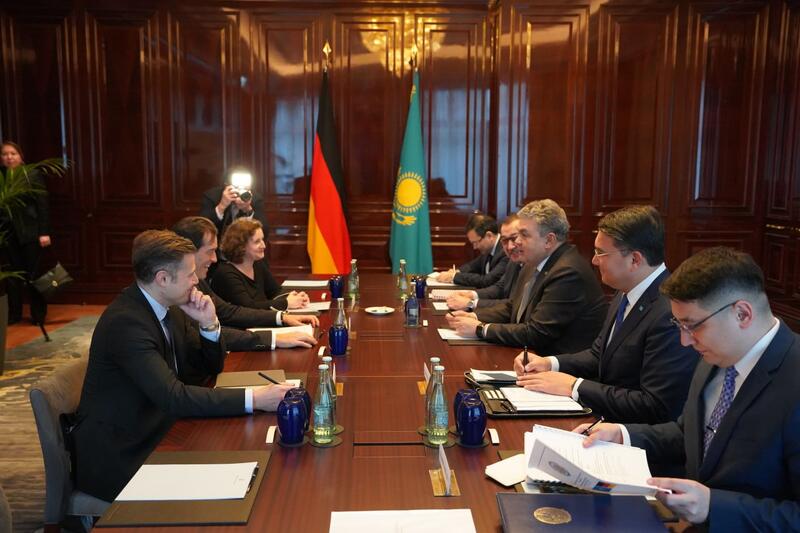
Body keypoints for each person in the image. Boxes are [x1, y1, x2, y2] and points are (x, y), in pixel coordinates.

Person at [578, 247, 800, 530]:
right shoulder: (715, 355)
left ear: (742, 314)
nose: (685, 341)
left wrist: (713, 506)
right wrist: (624, 435)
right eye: (680, 325)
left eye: (693, 326)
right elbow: (691, 433)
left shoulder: (792, 377)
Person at [73, 230, 293, 501]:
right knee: (236, 489)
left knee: (251, 461)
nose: (197, 280)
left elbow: (211, 368)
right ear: (163, 279)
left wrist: (208, 324)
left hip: (163, 428)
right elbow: (174, 396)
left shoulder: (171, 306)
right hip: (124, 453)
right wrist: (256, 398)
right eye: (189, 274)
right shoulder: (126, 323)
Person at [512, 206, 697, 423]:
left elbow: (654, 405)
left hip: (631, 432)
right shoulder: (625, 290)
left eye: (601, 252)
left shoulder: (670, 311)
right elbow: (598, 355)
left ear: (635, 259)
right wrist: (550, 363)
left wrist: (575, 386)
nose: (594, 260)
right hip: (604, 419)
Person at [446, 199, 607, 353]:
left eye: (524, 235)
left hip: (556, 364)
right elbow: (513, 307)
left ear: (549, 240)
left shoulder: (568, 273)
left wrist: (481, 329)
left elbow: (536, 333)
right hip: (529, 356)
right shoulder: (533, 263)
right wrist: (474, 316)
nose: (517, 242)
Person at [172, 216, 317, 364]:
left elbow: (228, 312)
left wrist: (282, 317)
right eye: (210, 251)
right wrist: (275, 338)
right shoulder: (182, 290)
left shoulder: (199, 282)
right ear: (188, 252)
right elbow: (207, 332)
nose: (215, 259)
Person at [0, 141, 50, 325]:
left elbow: (42, 204)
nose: (9, 157)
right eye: (5, 154)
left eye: (13, 153)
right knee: (12, 277)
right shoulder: (1, 177)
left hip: (30, 233)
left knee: (33, 275)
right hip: (8, 234)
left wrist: (44, 232)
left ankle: (38, 315)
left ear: (20, 156)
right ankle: (14, 314)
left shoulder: (31, 174)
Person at [212, 219, 309, 311]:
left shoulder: (258, 264)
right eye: (257, 242)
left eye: (262, 240)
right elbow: (248, 308)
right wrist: (286, 303)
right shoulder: (226, 273)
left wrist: (296, 298)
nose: (264, 245)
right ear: (240, 246)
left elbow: (275, 292)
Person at [445, 214, 524, 311]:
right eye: (504, 240)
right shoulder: (511, 260)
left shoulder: (509, 255)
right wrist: (471, 294)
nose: (510, 246)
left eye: (514, 238)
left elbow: (488, 281)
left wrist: (471, 304)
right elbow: (499, 288)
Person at [435, 213, 508, 288]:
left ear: (489, 236)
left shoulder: (506, 252)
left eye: (476, 242)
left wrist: (454, 277)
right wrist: (457, 271)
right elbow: (472, 266)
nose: (474, 247)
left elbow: (486, 281)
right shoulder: (488, 249)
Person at [199, 182, 267, 240]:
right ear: (226, 184)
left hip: (244, 247)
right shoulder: (212, 196)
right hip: (217, 245)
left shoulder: (255, 199)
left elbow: (264, 232)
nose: (239, 189)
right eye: (236, 186)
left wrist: (248, 209)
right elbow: (201, 229)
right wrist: (222, 206)